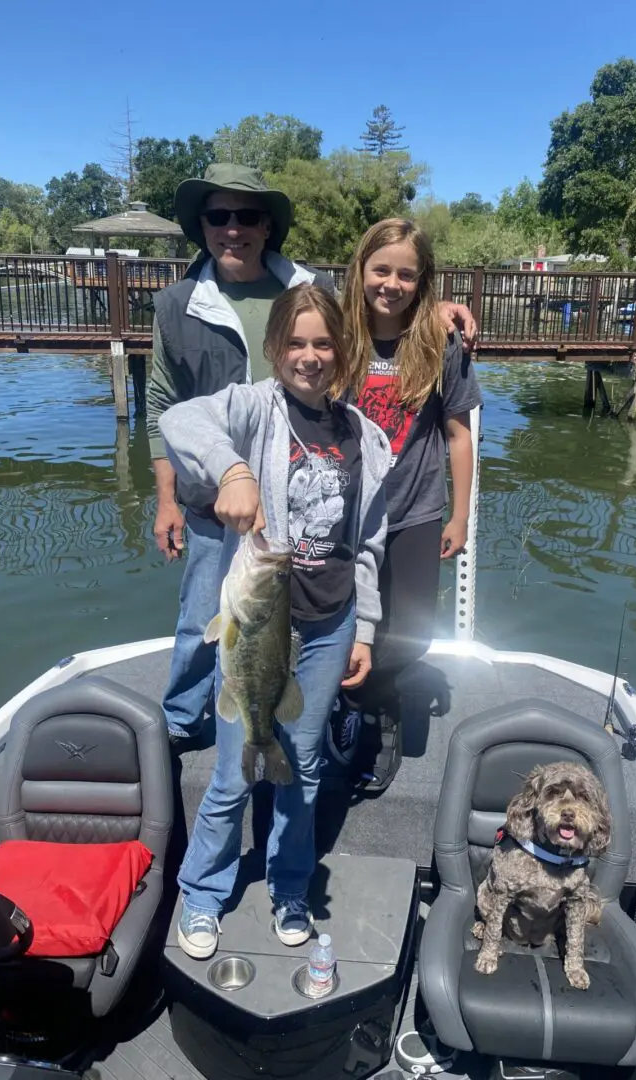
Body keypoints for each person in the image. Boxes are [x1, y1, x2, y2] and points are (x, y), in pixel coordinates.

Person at [146, 164, 478, 746]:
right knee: (214, 619)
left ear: (268, 226)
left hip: (362, 499)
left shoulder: (320, 292)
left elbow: (386, 302)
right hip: (254, 497)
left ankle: (337, 715)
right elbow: (166, 408)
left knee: (361, 626)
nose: (233, 228)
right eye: (219, 216)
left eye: (247, 216)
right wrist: (173, 494)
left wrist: (438, 307)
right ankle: (193, 726)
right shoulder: (181, 305)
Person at [158, 284, 391, 959]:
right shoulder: (254, 408)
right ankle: (202, 893)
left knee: (305, 765)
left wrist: (365, 628)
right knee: (233, 773)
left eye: (324, 344)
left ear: (344, 352)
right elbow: (180, 421)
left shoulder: (364, 436)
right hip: (258, 628)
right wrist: (231, 470)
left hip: (328, 628)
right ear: (272, 349)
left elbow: (368, 540)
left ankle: (290, 886)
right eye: (296, 343)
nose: (310, 357)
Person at [329, 218, 483, 790]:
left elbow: (459, 435)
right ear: (360, 271)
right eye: (381, 269)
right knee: (337, 619)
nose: (391, 283)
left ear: (423, 283)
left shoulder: (442, 343)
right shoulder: (335, 334)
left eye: (407, 274)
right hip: (343, 514)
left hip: (416, 511)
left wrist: (459, 514)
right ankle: (349, 708)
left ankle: (379, 707)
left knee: (410, 633)